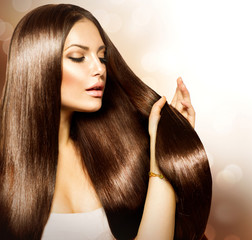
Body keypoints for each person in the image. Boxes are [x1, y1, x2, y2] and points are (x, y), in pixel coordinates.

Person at [0, 4, 212, 240]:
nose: (99, 68)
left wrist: (166, 149)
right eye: (78, 57)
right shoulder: (5, 173)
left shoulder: (116, 152)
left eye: (102, 56)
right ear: (36, 66)